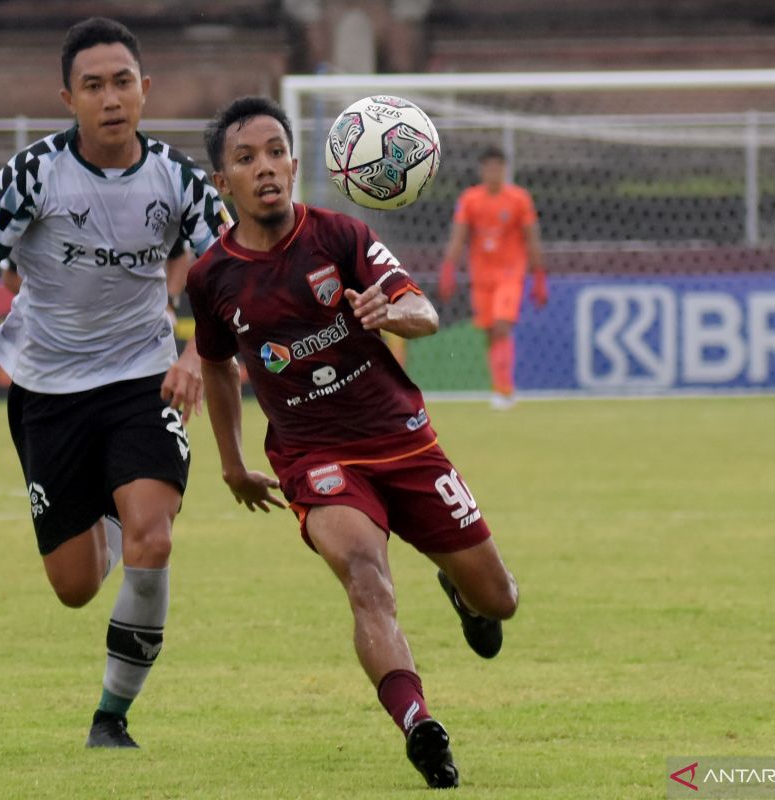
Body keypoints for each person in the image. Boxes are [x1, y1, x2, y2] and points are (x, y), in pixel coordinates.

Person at [0, 17, 231, 749]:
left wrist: (192, 357)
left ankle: (111, 717)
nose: (111, 97)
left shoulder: (179, 180)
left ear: (145, 90)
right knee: (76, 587)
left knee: (154, 539)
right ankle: (112, 513)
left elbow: (231, 276)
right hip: (47, 389)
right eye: (94, 86)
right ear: (68, 98)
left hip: (143, 382)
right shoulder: (34, 174)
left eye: (123, 82)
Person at [187, 97, 520, 790]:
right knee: (367, 581)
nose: (266, 168)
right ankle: (418, 723)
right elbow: (217, 367)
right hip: (316, 458)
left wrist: (391, 309)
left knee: (500, 601)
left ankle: (463, 596)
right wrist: (231, 463)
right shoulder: (211, 277)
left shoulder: (339, 234)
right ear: (223, 184)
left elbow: (423, 309)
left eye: (275, 151)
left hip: (404, 442)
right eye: (245, 159)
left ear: (297, 161)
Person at [438, 145, 547, 410]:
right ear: (482, 170)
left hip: (510, 275)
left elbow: (532, 238)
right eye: (488, 167)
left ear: (504, 170)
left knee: (501, 325)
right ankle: (501, 387)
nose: (493, 172)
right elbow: (459, 236)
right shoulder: (470, 199)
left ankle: (504, 388)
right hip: (481, 277)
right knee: (489, 332)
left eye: (498, 167)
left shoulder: (520, 199)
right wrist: (448, 268)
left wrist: (539, 275)